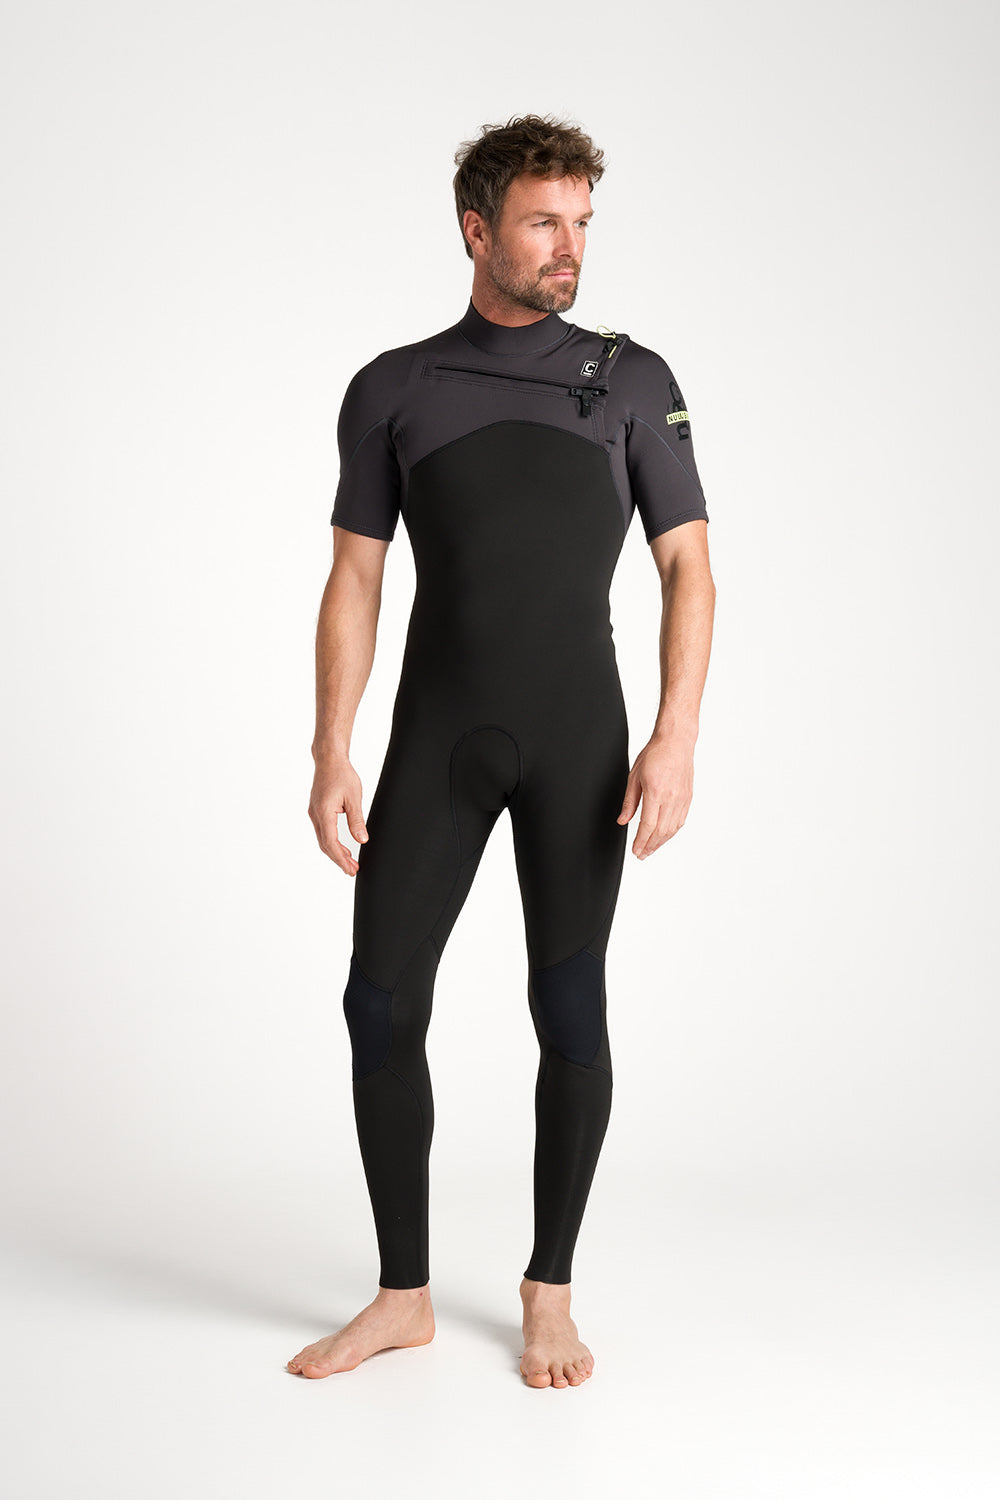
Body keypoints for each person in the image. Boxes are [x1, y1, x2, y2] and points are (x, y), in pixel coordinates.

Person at [287, 114, 716, 1389]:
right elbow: (353, 579)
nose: (568, 246)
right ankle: (402, 1296)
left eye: (581, 223)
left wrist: (676, 733)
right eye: (543, 222)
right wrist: (329, 749)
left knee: (568, 1006)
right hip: (440, 734)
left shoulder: (632, 381)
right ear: (477, 231)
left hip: (579, 738)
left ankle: (549, 1293)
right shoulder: (393, 387)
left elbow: (688, 568)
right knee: (378, 1001)